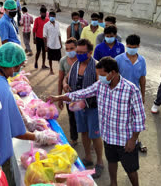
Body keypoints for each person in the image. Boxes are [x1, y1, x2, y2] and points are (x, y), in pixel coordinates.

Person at [48, 57, 146, 186]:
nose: (100, 78)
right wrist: (57, 97)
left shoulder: (131, 89)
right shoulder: (101, 85)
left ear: (113, 73)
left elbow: (139, 117)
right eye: (98, 75)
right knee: (111, 161)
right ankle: (113, 183)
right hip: (108, 136)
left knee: (131, 169)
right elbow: (81, 93)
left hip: (125, 139)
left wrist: (133, 140)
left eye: (103, 75)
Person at [0, 42, 58, 185]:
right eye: (19, 66)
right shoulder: (2, 88)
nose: (20, 69)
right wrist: (40, 136)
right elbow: (17, 132)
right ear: (11, 65)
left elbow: (11, 105)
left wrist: (25, 118)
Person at [62, 39, 104, 178]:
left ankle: (99, 162)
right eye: (77, 52)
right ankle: (87, 157)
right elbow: (66, 78)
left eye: (82, 52)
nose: (78, 54)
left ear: (90, 52)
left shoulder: (97, 66)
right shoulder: (75, 64)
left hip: (93, 107)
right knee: (84, 132)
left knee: (95, 135)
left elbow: (99, 86)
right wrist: (65, 84)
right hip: (78, 107)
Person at [115, 34, 147, 153]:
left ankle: (136, 141)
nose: (131, 49)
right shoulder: (118, 59)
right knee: (122, 118)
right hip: (121, 95)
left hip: (135, 95)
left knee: (135, 119)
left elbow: (142, 79)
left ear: (138, 46)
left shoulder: (142, 60)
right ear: (126, 45)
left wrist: (143, 95)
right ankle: (120, 141)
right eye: (129, 46)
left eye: (134, 46)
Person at [58, 37, 78, 146]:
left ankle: (89, 140)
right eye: (67, 49)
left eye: (72, 48)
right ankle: (74, 138)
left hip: (82, 94)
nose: (70, 51)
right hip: (69, 95)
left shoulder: (82, 59)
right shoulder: (63, 61)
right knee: (72, 117)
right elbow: (60, 79)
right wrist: (60, 98)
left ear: (77, 48)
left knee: (84, 117)